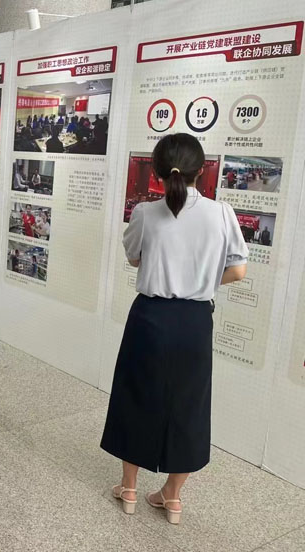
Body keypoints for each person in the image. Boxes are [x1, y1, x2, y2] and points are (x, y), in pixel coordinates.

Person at [101, 133, 248, 525]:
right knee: (189, 405)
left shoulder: (145, 213)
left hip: (150, 317)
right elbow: (238, 270)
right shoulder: (222, 213)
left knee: (135, 396)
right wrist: (202, 279)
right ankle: (173, 496)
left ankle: (129, 489)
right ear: (202, 171)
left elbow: (134, 259)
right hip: (195, 320)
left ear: (158, 172)